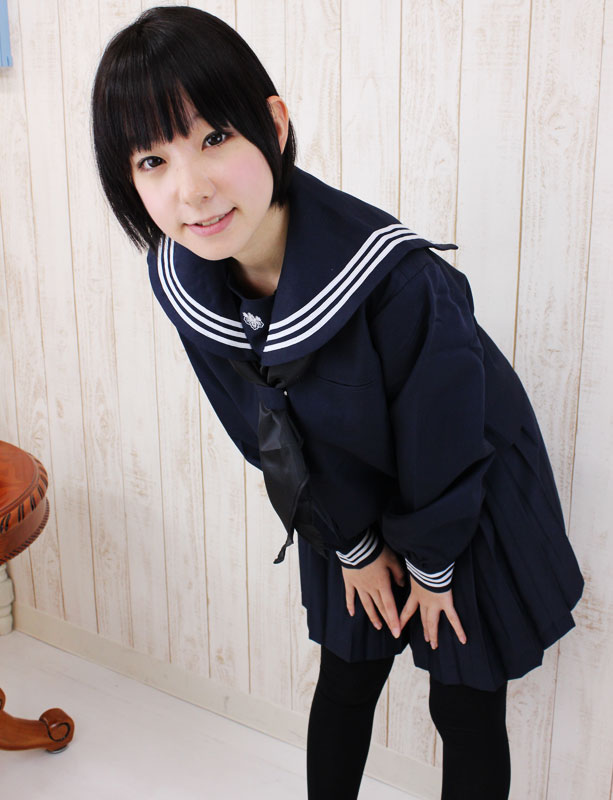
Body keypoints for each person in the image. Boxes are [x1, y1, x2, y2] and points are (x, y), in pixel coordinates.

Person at [91, 7, 584, 799]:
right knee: (348, 678)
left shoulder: (397, 280)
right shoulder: (184, 274)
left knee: (462, 703)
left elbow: (444, 435)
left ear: (273, 125)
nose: (192, 189)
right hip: (338, 495)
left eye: (215, 137)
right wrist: (352, 546)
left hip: (462, 494)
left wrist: (429, 565)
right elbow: (257, 429)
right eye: (153, 159)